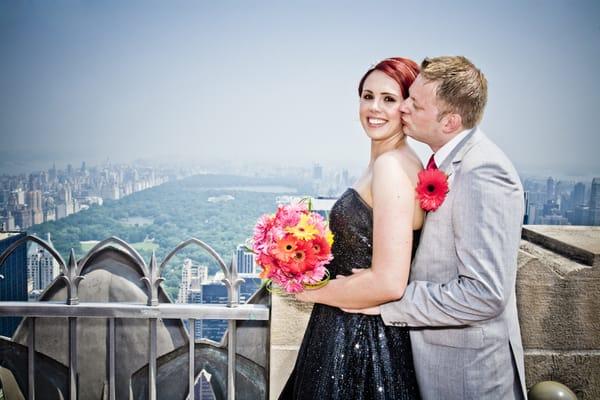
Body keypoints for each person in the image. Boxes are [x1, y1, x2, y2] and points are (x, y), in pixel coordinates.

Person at [343, 56, 528, 399]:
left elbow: (485, 294)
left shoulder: (483, 172)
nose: (404, 109)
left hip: (468, 378)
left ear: (450, 121)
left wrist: (388, 303)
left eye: (415, 103)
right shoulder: (441, 161)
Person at [279, 57, 424, 399]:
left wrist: (307, 291)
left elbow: (389, 282)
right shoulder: (387, 161)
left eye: (389, 99)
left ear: (408, 106)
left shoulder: (391, 166)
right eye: (367, 96)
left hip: (361, 341)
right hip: (346, 328)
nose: (374, 108)